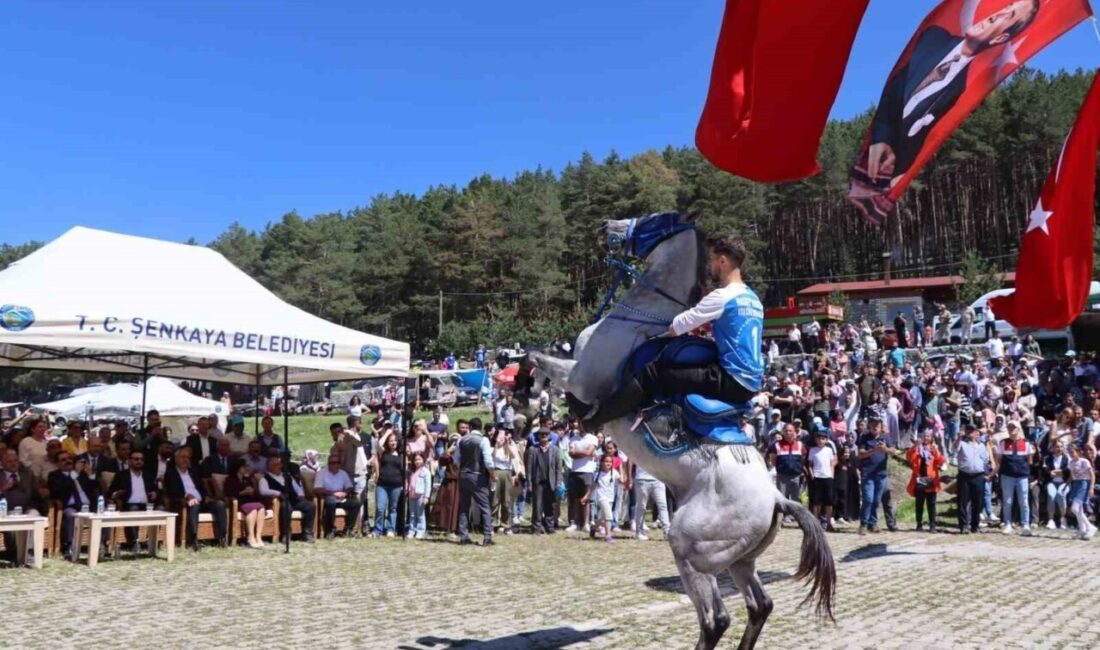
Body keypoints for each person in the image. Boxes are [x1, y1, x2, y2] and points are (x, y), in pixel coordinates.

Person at [849, 0, 1041, 223]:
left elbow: (920, 135)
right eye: (1005, 7)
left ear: (1000, 39)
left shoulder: (958, 88)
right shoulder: (933, 37)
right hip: (872, 152)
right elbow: (895, 91)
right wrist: (881, 137)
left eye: (1008, 16)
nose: (995, 14)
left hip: (890, 168)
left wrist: (900, 174)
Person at [574, 236, 764, 427]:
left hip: (731, 380)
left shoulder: (723, 296)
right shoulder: (752, 299)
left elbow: (676, 327)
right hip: (753, 381)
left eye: (712, 259)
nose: (709, 265)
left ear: (723, 261)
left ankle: (594, 421)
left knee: (651, 373)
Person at [165, 447, 228, 550]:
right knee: (194, 504)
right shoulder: (171, 473)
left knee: (220, 504)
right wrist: (186, 495)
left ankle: (222, 538)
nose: (186, 460)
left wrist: (206, 497)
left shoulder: (193, 472)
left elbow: (201, 488)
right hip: (186, 502)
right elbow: (172, 490)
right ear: (176, 459)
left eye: (188, 458)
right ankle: (194, 539)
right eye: (183, 457)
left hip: (202, 501)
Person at [47, 451, 99, 559]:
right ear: (57, 464)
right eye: (63, 460)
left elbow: (94, 488)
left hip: (87, 506)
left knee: (103, 513)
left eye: (69, 459)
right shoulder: (54, 476)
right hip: (70, 506)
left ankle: (102, 544)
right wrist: (75, 474)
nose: (68, 461)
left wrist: (91, 475)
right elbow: (58, 491)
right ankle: (69, 546)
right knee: (70, 515)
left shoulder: (81, 474)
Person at [453, 417, 495, 546]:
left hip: (463, 475)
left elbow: (456, 460)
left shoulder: (461, 440)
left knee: (464, 507)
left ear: (470, 427)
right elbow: (488, 461)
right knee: (485, 506)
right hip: (478, 476)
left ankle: (463, 536)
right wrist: (493, 474)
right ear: (481, 428)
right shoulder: (483, 440)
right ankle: (487, 536)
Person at [108, 449, 159, 549]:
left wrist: (155, 493)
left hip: (147, 505)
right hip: (129, 504)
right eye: (136, 459)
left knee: (161, 508)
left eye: (141, 459)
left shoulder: (148, 475)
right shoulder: (122, 475)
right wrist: (117, 493)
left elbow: (156, 489)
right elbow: (111, 492)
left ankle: (150, 541)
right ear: (129, 461)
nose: (139, 461)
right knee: (134, 508)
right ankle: (133, 542)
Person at [258, 456, 315, 543]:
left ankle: (307, 533)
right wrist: (278, 493)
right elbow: (263, 491)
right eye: (275, 465)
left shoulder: (287, 476)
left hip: (294, 500)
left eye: (279, 464)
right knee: (286, 507)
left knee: (310, 505)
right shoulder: (264, 478)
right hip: (281, 502)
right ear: (269, 467)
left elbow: (297, 487)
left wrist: (301, 494)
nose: (278, 466)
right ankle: (287, 534)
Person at [994, 420, 1035, 536]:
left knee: (1024, 501)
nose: (1011, 429)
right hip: (1007, 476)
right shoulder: (1003, 443)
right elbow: (998, 460)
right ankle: (1008, 523)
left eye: (1014, 427)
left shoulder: (1026, 443)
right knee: (1007, 501)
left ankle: (1025, 525)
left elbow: (1030, 460)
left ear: (1018, 429)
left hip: (1022, 476)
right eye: (1009, 427)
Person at [858, 418, 895, 535]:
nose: (875, 427)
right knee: (868, 499)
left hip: (881, 474)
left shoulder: (886, 438)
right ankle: (863, 524)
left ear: (880, 426)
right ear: (869, 426)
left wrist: (885, 449)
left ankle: (872, 524)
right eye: (873, 424)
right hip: (868, 474)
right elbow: (860, 454)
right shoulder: (864, 438)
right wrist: (873, 451)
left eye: (877, 425)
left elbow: (893, 451)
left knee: (876, 500)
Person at [312, 453, 360, 538]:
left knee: (356, 503)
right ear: (329, 464)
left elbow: (349, 487)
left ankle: (348, 529)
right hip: (328, 497)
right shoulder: (321, 473)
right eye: (333, 463)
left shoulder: (343, 473)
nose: (336, 465)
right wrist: (332, 493)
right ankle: (330, 530)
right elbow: (317, 489)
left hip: (341, 499)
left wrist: (345, 493)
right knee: (331, 502)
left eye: (338, 463)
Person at [525, 427, 562, 534]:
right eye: (541, 434)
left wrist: (558, 482)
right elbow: (529, 468)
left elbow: (558, 468)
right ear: (538, 436)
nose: (544, 436)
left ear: (549, 436)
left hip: (551, 482)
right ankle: (536, 527)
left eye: (546, 434)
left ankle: (549, 527)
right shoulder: (533, 449)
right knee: (537, 506)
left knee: (549, 505)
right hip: (538, 482)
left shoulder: (555, 450)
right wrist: (529, 483)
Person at [906, 431, 945, 532]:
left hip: (931, 478)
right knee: (919, 503)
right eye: (924, 436)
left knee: (931, 503)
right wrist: (914, 446)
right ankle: (919, 524)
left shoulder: (933, 448)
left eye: (928, 436)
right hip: (920, 479)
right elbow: (908, 457)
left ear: (931, 438)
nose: (926, 438)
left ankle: (932, 525)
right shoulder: (917, 448)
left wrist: (936, 451)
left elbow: (941, 461)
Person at [224, 457, 265, 548]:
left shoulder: (247, 479)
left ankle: (258, 536)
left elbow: (254, 492)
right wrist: (243, 492)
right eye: (244, 467)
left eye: (247, 466)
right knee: (253, 510)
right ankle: (251, 537)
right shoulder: (230, 479)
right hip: (239, 501)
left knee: (261, 508)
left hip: (250, 500)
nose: (246, 468)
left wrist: (252, 491)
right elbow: (229, 493)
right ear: (238, 468)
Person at [489, 427, 523, 535]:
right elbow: (492, 458)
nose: (501, 438)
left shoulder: (509, 448)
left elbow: (513, 457)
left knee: (506, 500)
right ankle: (492, 524)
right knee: (494, 500)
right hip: (496, 472)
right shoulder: (492, 448)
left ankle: (506, 525)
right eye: (500, 436)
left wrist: (507, 444)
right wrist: (496, 445)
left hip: (507, 473)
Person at [565, 423, 599, 532]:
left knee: (586, 499)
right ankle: (575, 523)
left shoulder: (593, 438)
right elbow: (571, 453)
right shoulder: (573, 439)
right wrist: (585, 453)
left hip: (587, 471)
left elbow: (589, 452)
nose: (582, 426)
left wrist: (578, 452)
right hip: (575, 470)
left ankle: (586, 523)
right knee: (575, 498)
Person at [369, 431, 403, 538]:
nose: (393, 443)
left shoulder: (401, 455)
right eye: (391, 441)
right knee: (380, 508)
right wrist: (387, 433)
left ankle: (390, 529)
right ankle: (378, 529)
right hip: (382, 484)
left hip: (396, 485)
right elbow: (379, 444)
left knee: (393, 509)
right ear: (387, 442)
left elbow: (404, 470)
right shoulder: (384, 452)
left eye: (395, 440)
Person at [767, 423, 805, 519]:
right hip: (782, 476)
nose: (788, 433)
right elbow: (773, 460)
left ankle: (796, 516)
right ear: (783, 432)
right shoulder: (776, 445)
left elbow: (803, 458)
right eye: (786, 430)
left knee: (796, 498)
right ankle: (782, 518)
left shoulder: (800, 444)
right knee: (782, 498)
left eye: (790, 430)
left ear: (794, 432)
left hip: (796, 476)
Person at [582, 454, 621, 542]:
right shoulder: (598, 474)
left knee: (601, 519)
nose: (608, 463)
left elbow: (621, 481)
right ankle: (608, 536)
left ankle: (594, 527)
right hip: (601, 498)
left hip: (610, 498)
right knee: (609, 516)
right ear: (602, 463)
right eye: (606, 461)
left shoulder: (614, 472)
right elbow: (592, 487)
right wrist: (586, 496)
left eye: (610, 462)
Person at [806, 429, 837, 531]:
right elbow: (810, 464)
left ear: (826, 440)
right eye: (819, 438)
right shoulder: (812, 450)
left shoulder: (829, 450)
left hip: (827, 477)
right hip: (817, 477)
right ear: (816, 439)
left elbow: (832, 463)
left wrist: (831, 475)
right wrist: (812, 475)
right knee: (816, 502)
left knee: (829, 502)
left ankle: (828, 523)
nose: (820, 440)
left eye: (823, 439)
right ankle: (816, 522)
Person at [1067, 443, 1097, 540]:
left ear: (1078, 452)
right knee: (1079, 510)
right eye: (1069, 452)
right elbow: (1072, 476)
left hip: (1084, 484)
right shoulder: (1071, 463)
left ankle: (1090, 527)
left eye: (1072, 452)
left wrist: (1091, 487)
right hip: (1076, 484)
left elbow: (1092, 475)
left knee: (1075, 508)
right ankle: (1082, 530)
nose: (1071, 454)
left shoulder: (1084, 461)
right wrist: (1066, 485)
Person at [1043, 439, 1071, 530]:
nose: (1059, 449)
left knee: (1060, 494)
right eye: (1057, 447)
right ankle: (1051, 520)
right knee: (1051, 495)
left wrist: (1056, 471)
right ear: (1053, 448)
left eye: (1061, 447)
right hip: (1052, 482)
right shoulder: (1048, 458)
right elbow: (1046, 470)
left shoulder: (1067, 458)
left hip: (1064, 483)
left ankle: (1063, 519)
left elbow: (1068, 471)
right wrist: (1052, 472)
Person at [406, 452, 432, 539]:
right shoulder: (411, 471)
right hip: (411, 495)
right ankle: (411, 530)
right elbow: (409, 482)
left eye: (419, 459)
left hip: (420, 495)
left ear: (423, 460)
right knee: (412, 514)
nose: (417, 461)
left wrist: (426, 497)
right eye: (415, 460)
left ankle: (420, 531)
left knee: (420, 514)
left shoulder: (426, 472)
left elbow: (428, 485)